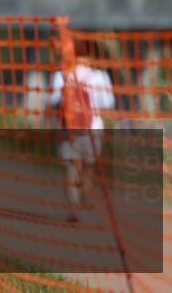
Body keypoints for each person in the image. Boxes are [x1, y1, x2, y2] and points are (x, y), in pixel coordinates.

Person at [47, 41, 115, 222]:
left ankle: (74, 208)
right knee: (87, 169)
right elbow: (108, 103)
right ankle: (81, 205)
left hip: (69, 129)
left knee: (71, 169)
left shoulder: (61, 74)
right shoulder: (100, 76)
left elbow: (52, 101)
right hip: (93, 129)